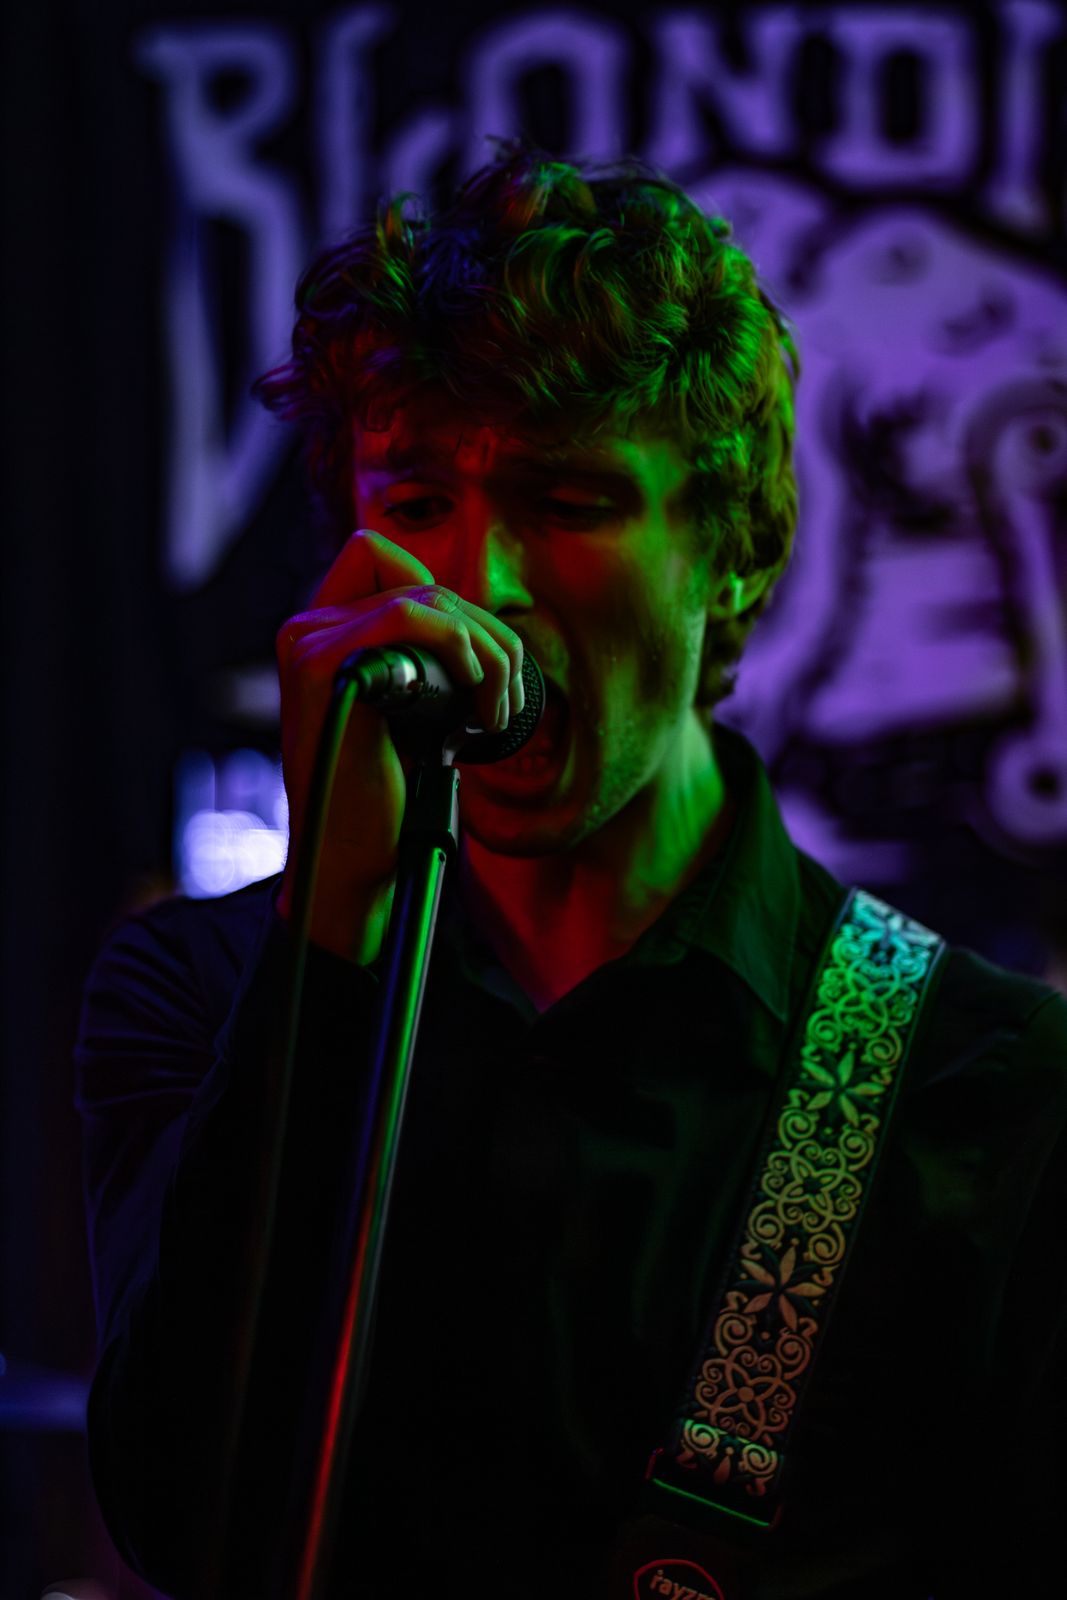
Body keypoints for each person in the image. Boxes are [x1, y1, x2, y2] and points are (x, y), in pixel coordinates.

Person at [76, 144, 1067, 1600]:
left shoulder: (984, 1078)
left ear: (732, 554)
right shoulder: (205, 992)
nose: (479, 584)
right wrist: (330, 937)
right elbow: (184, 1518)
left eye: (569, 502)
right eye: (419, 501)